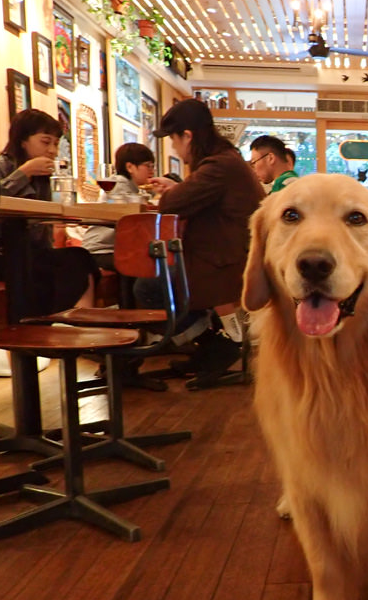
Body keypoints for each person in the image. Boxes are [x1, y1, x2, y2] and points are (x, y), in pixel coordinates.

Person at [146, 98, 265, 389]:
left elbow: (171, 204)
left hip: (226, 263)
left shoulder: (218, 165)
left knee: (147, 287)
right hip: (230, 256)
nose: (174, 148)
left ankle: (221, 345)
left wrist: (173, 192)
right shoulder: (225, 160)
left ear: (187, 136)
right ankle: (212, 347)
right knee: (156, 279)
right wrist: (179, 188)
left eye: (174, 140)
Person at [0, 109, 99, 315]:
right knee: (42, 271)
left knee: (81, 258)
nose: (53, 150)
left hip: (29, 251)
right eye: (45, 142)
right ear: (23, 140)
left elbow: (41, 222)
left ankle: (76, 327)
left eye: (56, 144)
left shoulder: (43, 177)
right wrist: (23, 174)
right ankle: (34, 328)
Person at [82, 142, 156, 271]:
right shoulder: (119, 186)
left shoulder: (130, 189)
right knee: (142, 263)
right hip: (100, 251)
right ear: (130, 167)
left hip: (109, 249)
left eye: (153, 166)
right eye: (148, 166)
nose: (152, 171)